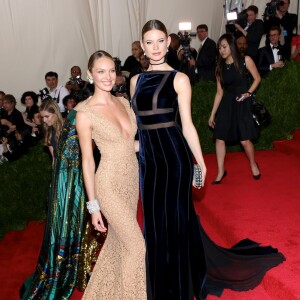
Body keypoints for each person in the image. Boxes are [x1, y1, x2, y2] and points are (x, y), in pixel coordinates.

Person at [131, 19, 285, 300]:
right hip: (148, 162)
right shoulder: (134, 81)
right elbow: (136, 125)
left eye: (160, 41)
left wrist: (200, 162)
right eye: (149, 42)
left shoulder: (178, 79)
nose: (155, 47)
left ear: (169, 42)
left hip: (174, 157)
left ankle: (180, 283)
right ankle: (157, 283)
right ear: (142, 46)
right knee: (153, 222)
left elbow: (187, 125)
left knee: (176, 220)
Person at [76, 50, 146, 300]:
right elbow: (86, 161)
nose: (107, 77)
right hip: (108, 184)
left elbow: (131, 145)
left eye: (111, 71)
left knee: (120, 245)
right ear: (90, 75)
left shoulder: (124, 102)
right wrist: (93, 206)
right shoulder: (84, 113)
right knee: (138, 248)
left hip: (131, 180)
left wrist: (165, 144)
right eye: (101, 71)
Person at [20, 100, 105, 299]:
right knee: (59, 224)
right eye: (42, 118)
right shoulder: (49, 133)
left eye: (47, 117)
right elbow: (54, 161)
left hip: (78, 178)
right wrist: (54, 186)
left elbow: (89, 149)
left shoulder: (75, 124)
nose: (45, 121)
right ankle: (60, 264)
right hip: (61, 181)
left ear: (55, 113)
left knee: (79, 220)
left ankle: (78, 264)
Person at [209, 33, 262, 183]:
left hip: (242, 103)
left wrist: (248, 94)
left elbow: (257, 78)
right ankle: (221, 171)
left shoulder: (245, 60)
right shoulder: (219, 67)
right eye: (219, 48)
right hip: (227, 104)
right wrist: (212, 114)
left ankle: (253, 163)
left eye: (224, 47)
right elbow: (219, 93)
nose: (222, 50)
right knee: (219, 138)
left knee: (245, 140)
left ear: (231, 46)